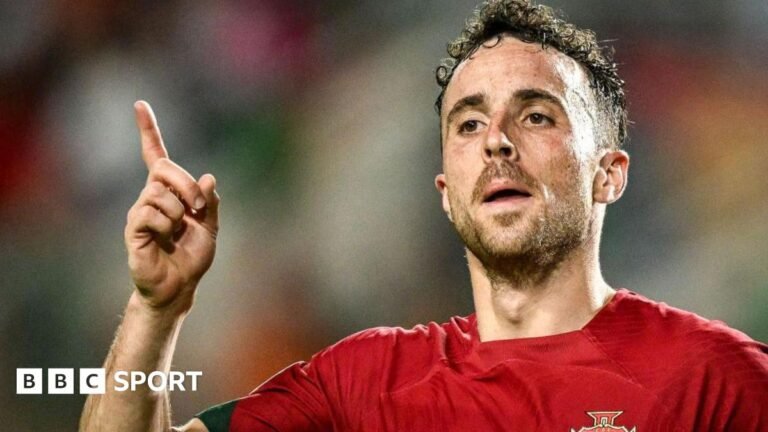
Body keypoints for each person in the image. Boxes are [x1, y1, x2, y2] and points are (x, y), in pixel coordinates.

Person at [80, 1, 768, 431]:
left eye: (536, 115)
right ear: (445, 190)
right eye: (468, 124)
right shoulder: (361, 384)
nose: (497, 142)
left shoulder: (718, 380)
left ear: (608, 173)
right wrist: (154, 310)